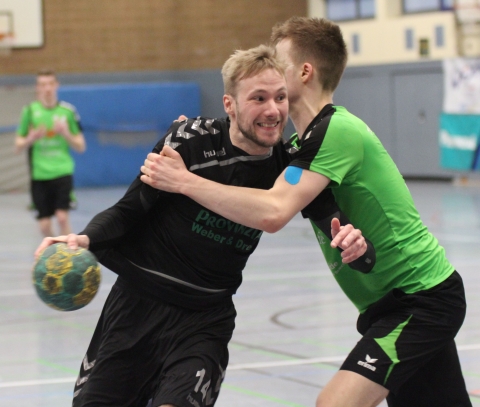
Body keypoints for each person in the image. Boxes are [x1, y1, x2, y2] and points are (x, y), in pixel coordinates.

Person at [140, 17, 472, 407]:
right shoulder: (301, 143)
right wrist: (199, 136)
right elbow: (247, 157)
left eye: (277, 61)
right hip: (390, 304)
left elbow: (274, 211)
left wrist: (184, 181)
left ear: (305, 71)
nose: (269, 69)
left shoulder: (336, 132)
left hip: (421, 299)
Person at [34, 45, 368, 407]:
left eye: (280, 97)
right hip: (135, 309)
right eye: (259, 98)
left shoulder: (287, 167)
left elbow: (332, 219)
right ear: (229, 105)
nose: (273, 110)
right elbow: (129, 210)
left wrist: (353, 242)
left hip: (204, 321)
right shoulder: (189, 142)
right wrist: (85, 238)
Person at [15, 69, 86, 237]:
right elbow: (18, 146)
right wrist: (30, 138)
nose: (47, 88)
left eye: (50, 84)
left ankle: (70, 255)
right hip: (39, 174)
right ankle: (52, 257)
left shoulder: (67, 111)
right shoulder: (30, 111)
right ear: (37, 88)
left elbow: (81, 146)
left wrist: (66, 133)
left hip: (62, 171)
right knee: (44, 225)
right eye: (42, 84)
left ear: (56, 85)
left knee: (62, 217)